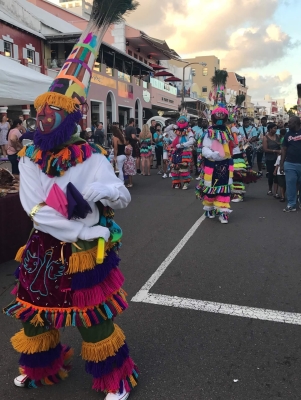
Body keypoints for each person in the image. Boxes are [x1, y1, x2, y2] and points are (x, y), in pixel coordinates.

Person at [4, 3, 138, 399]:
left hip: (83, 254)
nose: (44, 118)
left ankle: (115, 380)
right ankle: (41, 368)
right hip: (49, 247)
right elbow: (36, 210)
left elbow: (123, 195)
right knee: (35, 317)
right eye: (41, 111)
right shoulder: (30, 158)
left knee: (93, 321)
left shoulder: (92, 156)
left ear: (71, 116)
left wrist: (106, 192)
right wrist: (85, 225)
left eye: (53, 112)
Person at [196, 106, 235, 223]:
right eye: (217, 115)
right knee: (210, 188)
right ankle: (210, 208)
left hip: (226, 164)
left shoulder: (228, 132)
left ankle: (223, 212)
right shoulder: (209, 132)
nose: (220, 117)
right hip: (212, 164)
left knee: (224, 189)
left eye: (222, 115)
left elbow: (232, 147)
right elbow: (204, 148)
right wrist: (213, 155)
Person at [280, 116, 301, 212]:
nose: (288, 124)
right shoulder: (288, 134)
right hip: (290, 163)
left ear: (297, 123)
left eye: (290, 122)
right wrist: (281, 164)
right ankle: (291, 204)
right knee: (290, 185)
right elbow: (284, 149)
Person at [170, 115, 194, 190]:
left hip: (185, 151)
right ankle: (176, 182)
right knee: (174, 168)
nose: (181, 122)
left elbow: (192, 141)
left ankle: (186, 183)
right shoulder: (176, 131)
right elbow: (166, 130)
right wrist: (172, 125)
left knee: (184, 168)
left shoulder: (189, 131)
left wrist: (182, 145)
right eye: (180, 121)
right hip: (176, 150)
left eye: (183, 121)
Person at [262, 123, 281, 196]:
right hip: (269, 158)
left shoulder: (277, 136)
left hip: (277, 158)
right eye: (274, 128)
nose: (275, 130)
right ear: (270, 129)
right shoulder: (265, 138)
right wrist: (275, 151)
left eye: (276, 128)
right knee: (271, 174)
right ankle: (270, 189)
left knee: (277, 174)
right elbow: (265, 149)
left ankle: (276, 191)